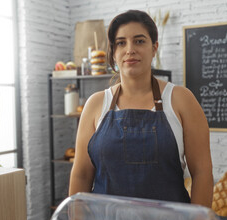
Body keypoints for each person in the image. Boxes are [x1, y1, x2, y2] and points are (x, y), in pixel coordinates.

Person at [69, 9, 213, 208]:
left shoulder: (181, 100)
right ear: (113, 51)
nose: (130, 49)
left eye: (139, 41)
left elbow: (202, 173)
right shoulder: (95, 105)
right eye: (121, 43)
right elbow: (82, 175)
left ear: (154, 48)